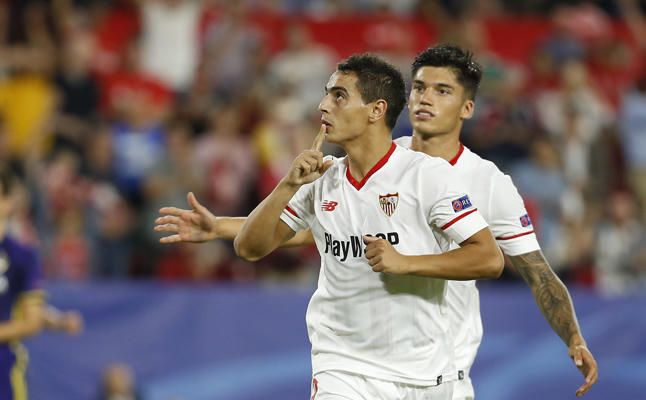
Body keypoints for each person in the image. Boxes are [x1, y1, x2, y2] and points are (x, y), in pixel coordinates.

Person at [155, 45, 599, 398]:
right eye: (419, 87)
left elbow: (528, 268)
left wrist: (573, 337)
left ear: (467, 108)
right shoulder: (339, 171)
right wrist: (225, 225)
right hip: (346, 364)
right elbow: (325, 229)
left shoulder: (479, 181)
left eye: (442, 91)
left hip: (438, 365)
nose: (425, 97)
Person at [0, 168, 84, 400]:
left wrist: (56, 320)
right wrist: (57, 321)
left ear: (8, 202)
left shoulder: (20, 256)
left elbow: (31, 320)